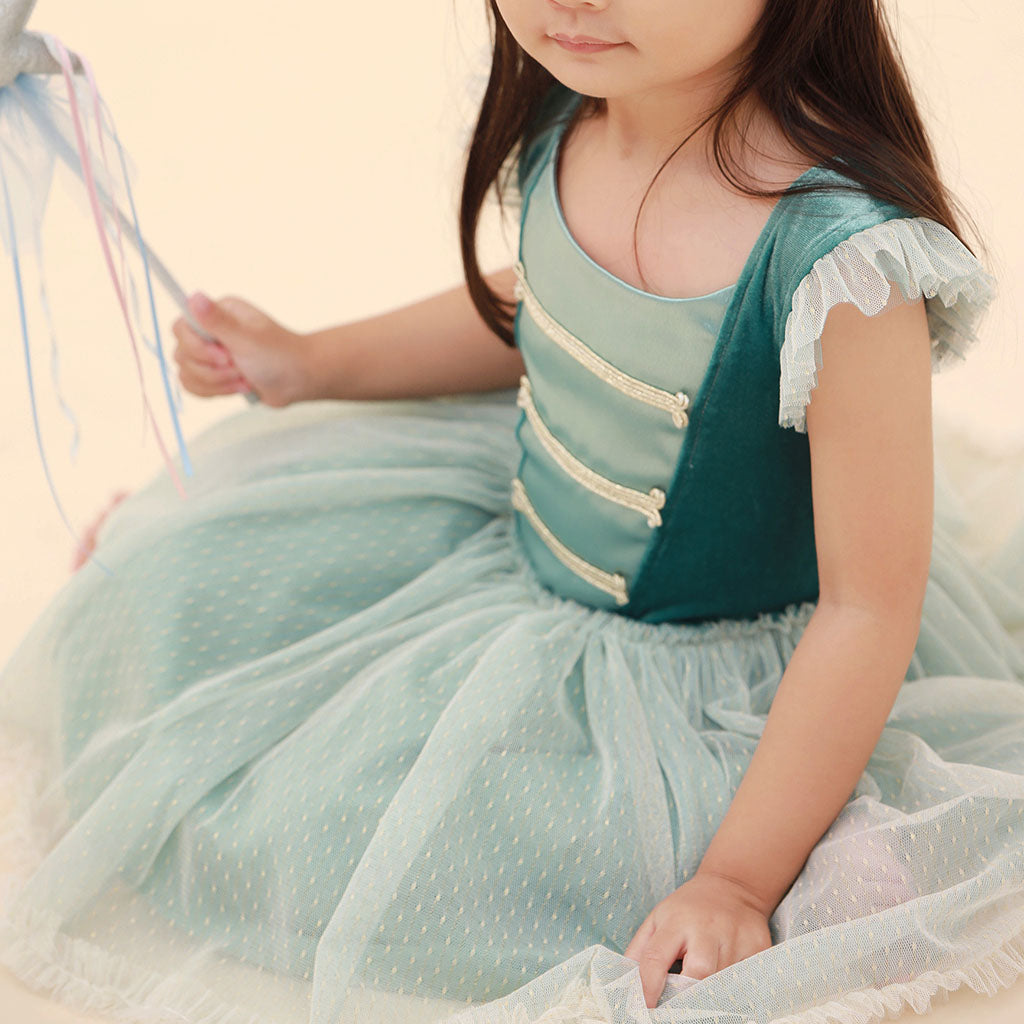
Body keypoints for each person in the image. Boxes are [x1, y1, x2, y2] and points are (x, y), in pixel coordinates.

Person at [2, 0, 1023, 1022]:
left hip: (717, 682)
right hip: (520, 538)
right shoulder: (582, 101)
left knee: (478, 868)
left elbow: (866, 609)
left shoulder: (841, 264)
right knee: (189, 613)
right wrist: (315, 361)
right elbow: (542, 298)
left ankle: (842, 847)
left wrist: (737, 880)